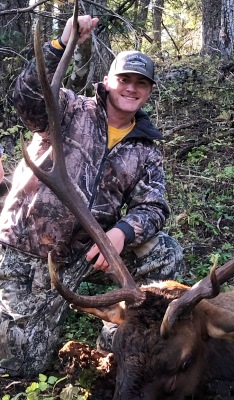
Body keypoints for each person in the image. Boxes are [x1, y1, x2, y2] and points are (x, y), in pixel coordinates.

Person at [0, 15, 186, 377]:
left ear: (148, 91)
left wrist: (120, 234)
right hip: (25, 248)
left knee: (164, 252)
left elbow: (154, 206)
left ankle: (120, 336)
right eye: (124, 79)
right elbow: (24, 97)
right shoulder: (69, 109)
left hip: (85, 253)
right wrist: (60, 45)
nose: (131, 88)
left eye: (141, 83)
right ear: (107, 81)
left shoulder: (146, 149)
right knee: (21, 365)